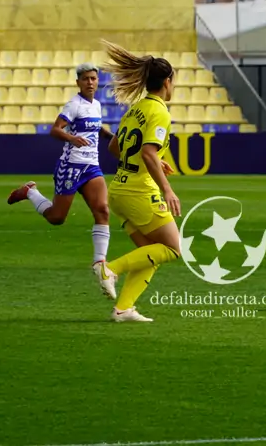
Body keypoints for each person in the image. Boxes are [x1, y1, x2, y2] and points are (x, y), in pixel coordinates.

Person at [93, 40, 180, 323]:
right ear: (167, 81)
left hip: (118, 188)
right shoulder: (159, 111)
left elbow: (115, 149)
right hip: (139, 191)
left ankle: (123, 309)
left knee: (149, 252)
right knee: (172, 249)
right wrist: (167, 189)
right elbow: (147, 151)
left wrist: (153, 160)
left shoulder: (135, 109)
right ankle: (110, 269)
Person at [6, 63, 116, 286]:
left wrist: (109, 135)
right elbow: (55, 129)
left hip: (91, 166)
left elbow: (96, 128)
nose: (90, 82)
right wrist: (72, 139)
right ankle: (30, 192)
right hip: (71, 165)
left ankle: (99, 263)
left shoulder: (96, 104)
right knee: (57, 218)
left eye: (93, 78)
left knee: (103, 210)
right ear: (78, 82)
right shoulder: (73, 105)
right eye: (85, 78)